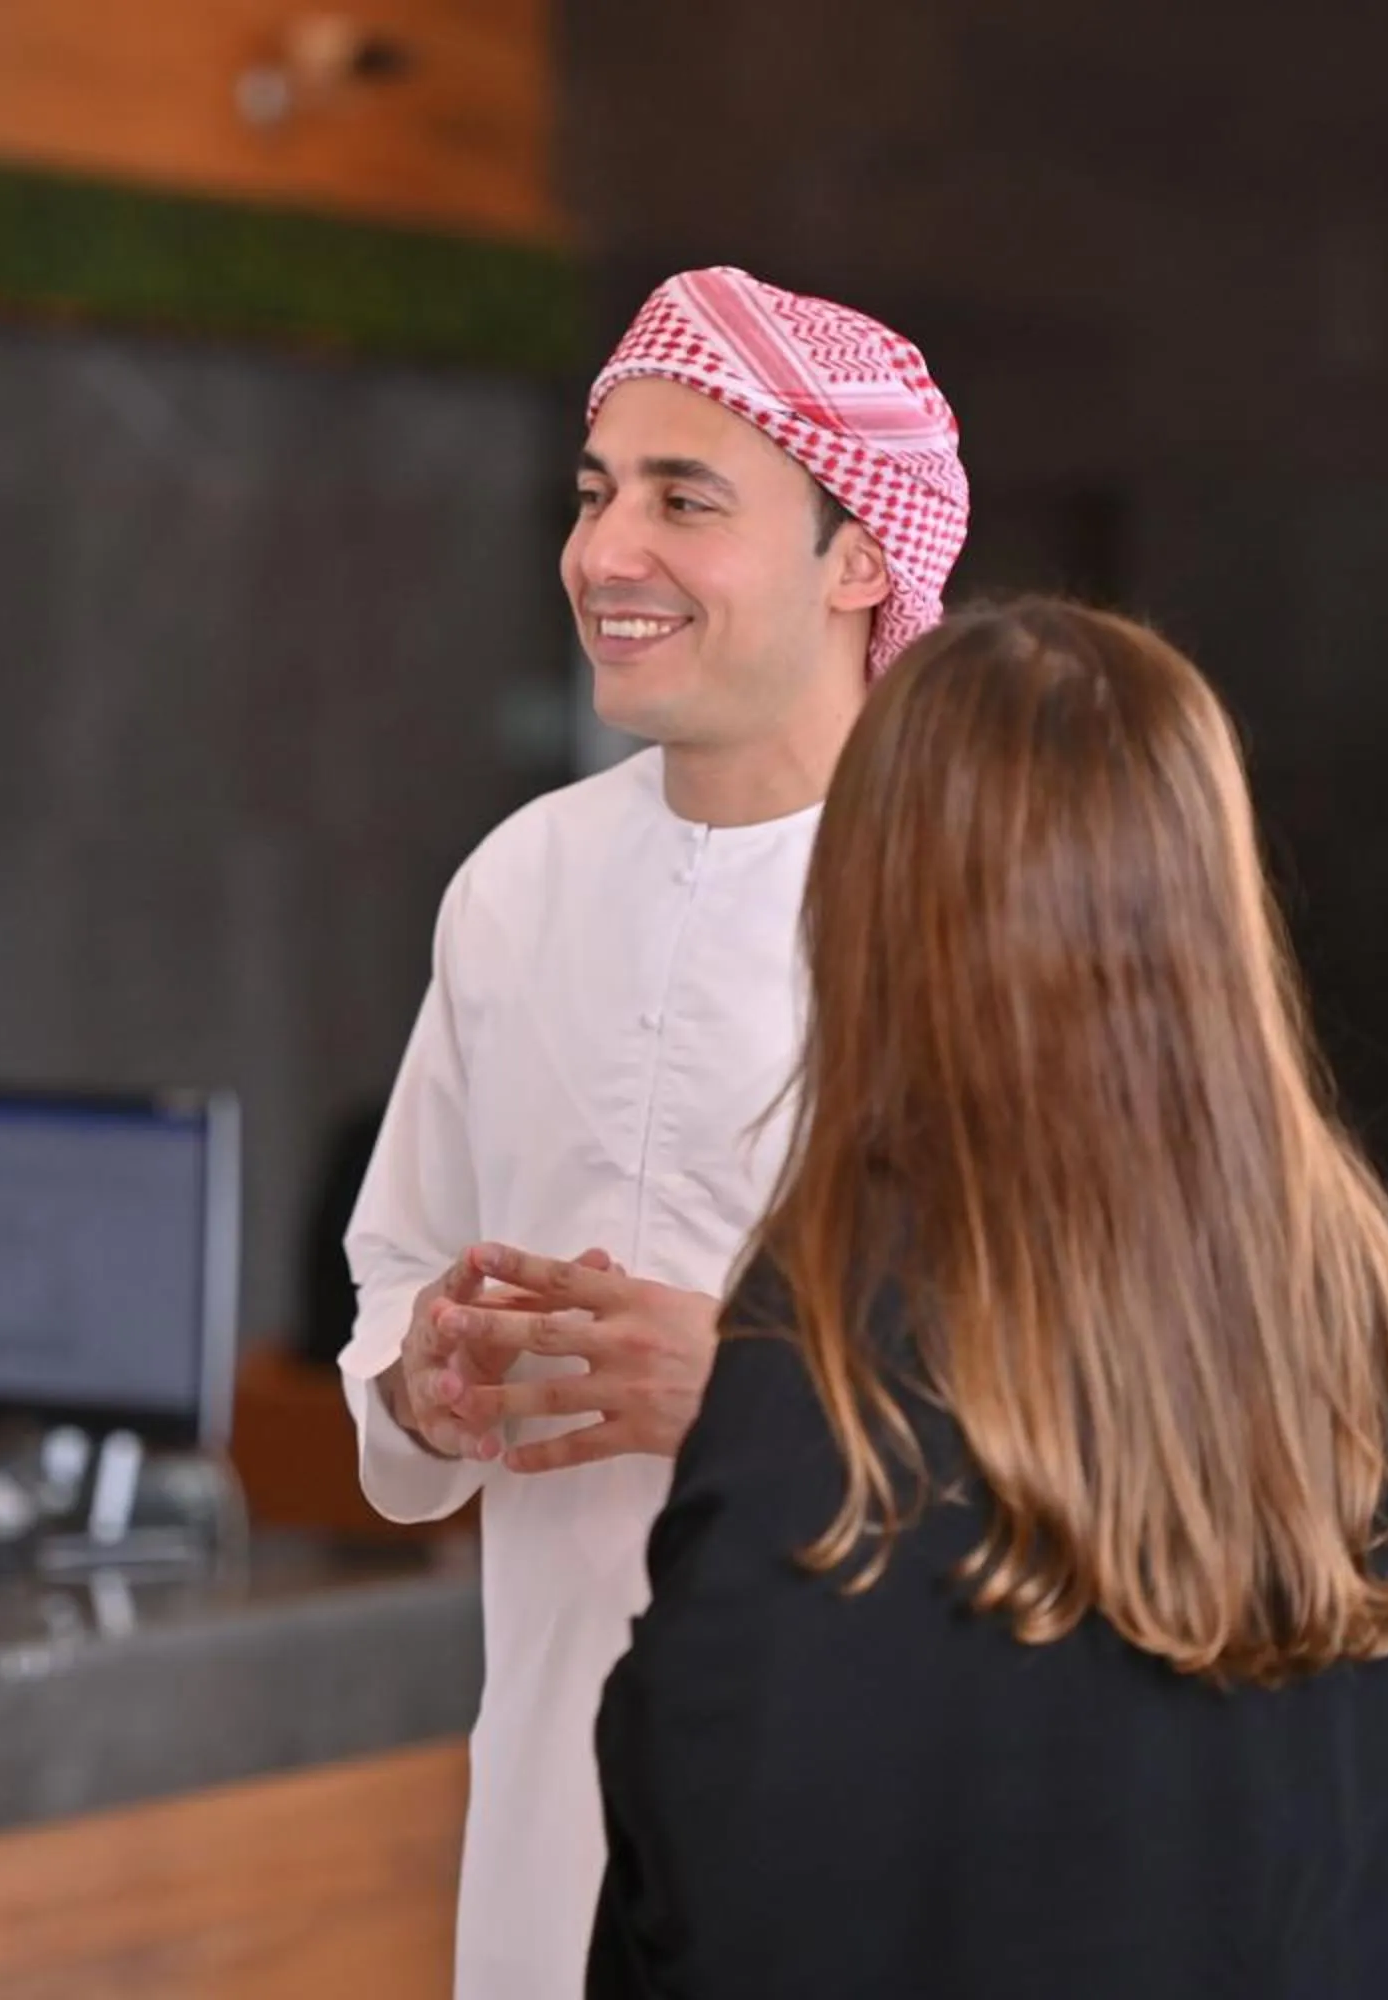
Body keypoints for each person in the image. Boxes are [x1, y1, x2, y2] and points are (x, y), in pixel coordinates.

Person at [529, 599, 1388, 1997]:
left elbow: (719, 1900)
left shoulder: (835, 1357)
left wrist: (755, 1414)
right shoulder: (1373, 1306)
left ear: (869, 899)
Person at [339, 266, 970, 1996]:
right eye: (598, 493)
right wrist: (425, 1378)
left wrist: (759, 1391)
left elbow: (1118, 1383)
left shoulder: (983, 902)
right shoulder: (518, 879)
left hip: (903, 1809)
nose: (608, 552)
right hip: (552, 1807)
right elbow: (395, 1266)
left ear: (861, 559)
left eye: (688, 499)